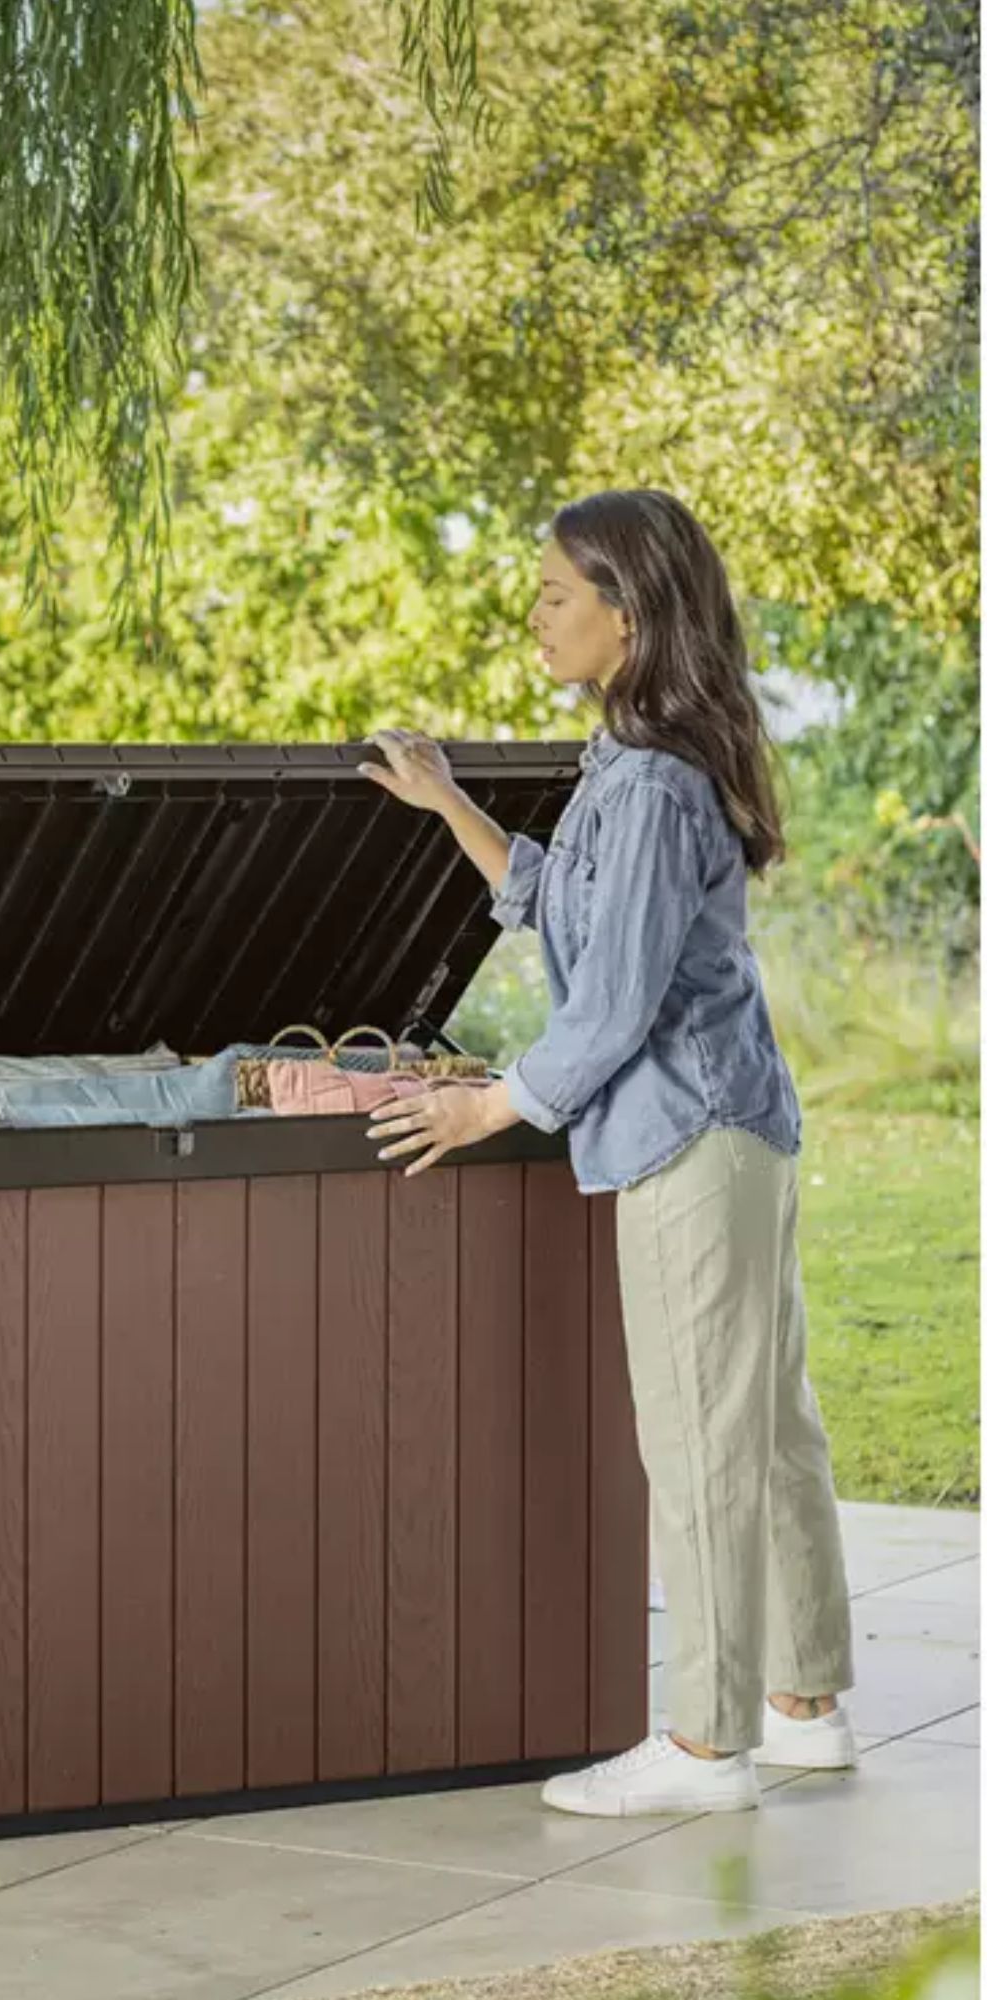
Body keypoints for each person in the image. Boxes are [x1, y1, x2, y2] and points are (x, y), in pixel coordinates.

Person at [359, 487, 858, 1820]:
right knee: (770, 1425)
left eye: (559, 596)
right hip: (738, 1128)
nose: (539, 613)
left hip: (690, 1139)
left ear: (629, 620)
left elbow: (616, 999)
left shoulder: (647, 782)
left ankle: (704, 1745)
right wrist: (451, 806)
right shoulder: (640, 768)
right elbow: (559, 900)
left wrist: (488, 1106)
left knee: (702, 1438)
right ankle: (804, 1706)